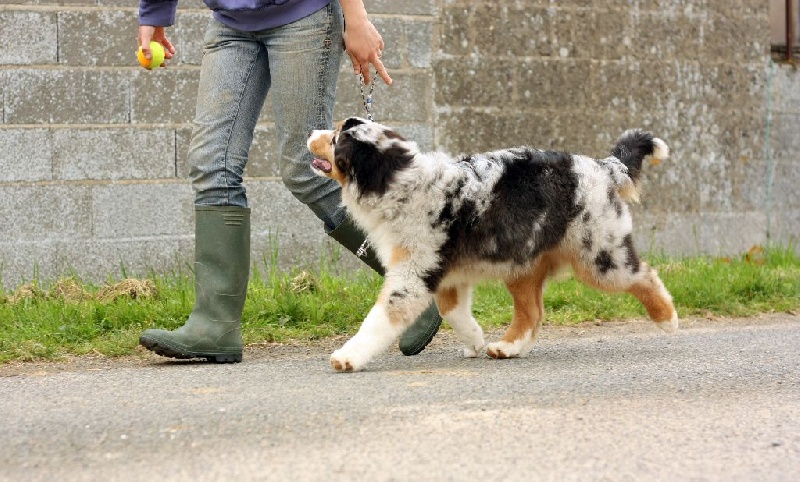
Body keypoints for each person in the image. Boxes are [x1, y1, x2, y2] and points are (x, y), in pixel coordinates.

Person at [136, 0, 442, 363]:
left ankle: (415, 288)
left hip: (303, 15)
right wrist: (155, 13)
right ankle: (213, 325)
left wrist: (355, 17)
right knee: (210, 165)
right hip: (230, 22)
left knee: (305, 168)